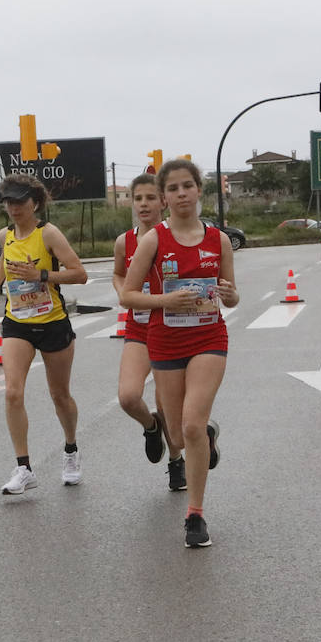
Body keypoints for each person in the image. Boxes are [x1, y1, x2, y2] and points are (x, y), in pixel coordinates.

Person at [121, 158, 239, 549]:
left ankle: (195, 515)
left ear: (199, 191)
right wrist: (165, 300)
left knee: (189, 425)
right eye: (172, 189)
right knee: (178, 432)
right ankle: (205, 436)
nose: (181, 194)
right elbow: (128, 294)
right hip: (166, 340)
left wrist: (228, 295)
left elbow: (233, 295)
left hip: (208, 339)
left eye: (187, 186)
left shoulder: (218, 240)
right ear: (165, 197)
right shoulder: (154, 239)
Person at [0, 172, 88, 493]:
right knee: (13, 391)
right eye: (9, 202)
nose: (14, 208)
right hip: (18, 322)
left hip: (53, 321)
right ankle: (23, 467)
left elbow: (79, 274)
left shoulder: (48, 234)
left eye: (20, 202)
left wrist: (41, 274)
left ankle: (71, 450)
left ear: (35, 203)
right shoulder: (5, 235)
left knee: (60, 395)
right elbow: (5, 258)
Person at [112, 174, 185, 490]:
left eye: (150, 197)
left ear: (163, 201)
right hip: (139, 327)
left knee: (169, 403)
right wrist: (123, 290)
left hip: (170, 329)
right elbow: (118, 274)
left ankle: (176, 461)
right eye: (137, 198)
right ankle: (150, 426)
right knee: (128, 397)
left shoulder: (174, 238)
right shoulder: (124, 241)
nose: (143, 204)